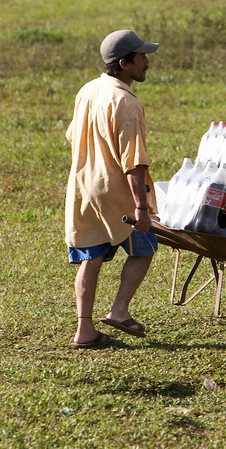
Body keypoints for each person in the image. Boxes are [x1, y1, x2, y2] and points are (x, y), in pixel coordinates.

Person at [64, 30, 160, 348]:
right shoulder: (126, 103)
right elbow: (134, 163)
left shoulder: (89, 89)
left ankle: (84, 331)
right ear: (124, 63)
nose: (147, 62)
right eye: (141, 57)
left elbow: (72, 136)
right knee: (144, 247)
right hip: (115, 191)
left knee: (91, 258)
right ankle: (119, 311)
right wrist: (141, 209)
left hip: (83, 187)